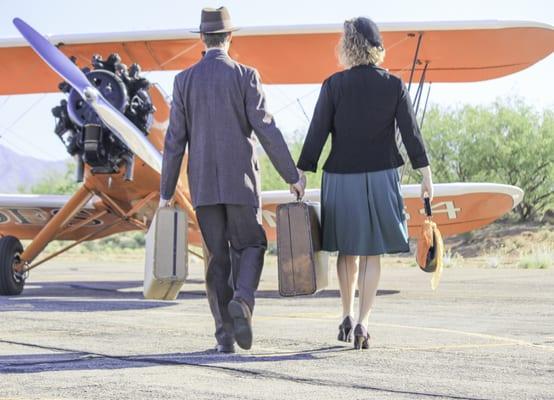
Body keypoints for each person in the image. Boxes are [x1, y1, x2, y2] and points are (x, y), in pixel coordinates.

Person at [159, 7, 306, 353]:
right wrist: (292, 175)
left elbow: (174, 141)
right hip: (241, 184)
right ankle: (242, 301)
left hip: (204, 188)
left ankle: (224, 336)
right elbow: (266, 130)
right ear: (229, 38)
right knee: (252, 245)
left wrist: (166, 191)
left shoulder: (183, 81)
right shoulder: (245, 76)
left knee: (217, 259)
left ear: (201, 38)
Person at [297, 17, 433, 350]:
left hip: (340, 177)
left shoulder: (333, 85)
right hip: (381, 175)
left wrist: (302, 173)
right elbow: (411, 134)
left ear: (348, 47)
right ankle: (363, 323)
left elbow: (316, 133)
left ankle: (345, 314)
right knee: (372, 253)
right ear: (376, 47)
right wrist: (425, 173)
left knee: (347, 250)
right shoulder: (393, 85)